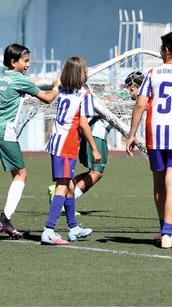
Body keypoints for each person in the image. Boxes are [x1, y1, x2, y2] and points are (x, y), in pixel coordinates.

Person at [0, 43, 59, 240]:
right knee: (21, 175)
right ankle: (5, 219)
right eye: (25, 61)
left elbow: (25, 82)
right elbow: (47, 98)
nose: (28, 64)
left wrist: (33, 80)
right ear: (14, 62)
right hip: (4, 131)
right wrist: (55, 87)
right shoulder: (20, 80)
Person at [126, 31, 172, 249]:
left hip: (156, 134)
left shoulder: (153, 74)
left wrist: (132, 134)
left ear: (166, 50)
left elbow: (140, 104)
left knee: (159, 184)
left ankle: (163, 230)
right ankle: (167, 233)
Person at [41, 56, 100, 245]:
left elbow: (56, 81)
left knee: (71, 186)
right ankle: (49, 230)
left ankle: (73, 228)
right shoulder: (85, 95)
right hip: (67, 145)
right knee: (63, 185)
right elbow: (83, 123)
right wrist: (94, 148)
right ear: (82, 74)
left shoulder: (60, 88)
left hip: (56, 142)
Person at [68, 70, 144, 204]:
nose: (141, 93)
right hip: (97, 133)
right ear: (133, 86)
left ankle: (61, 190)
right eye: (140, 88)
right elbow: (108, 98)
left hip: (91, 132)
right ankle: (67, 202)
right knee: (97, 173)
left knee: (93, 172)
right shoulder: (124, 95)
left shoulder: (127, 97)